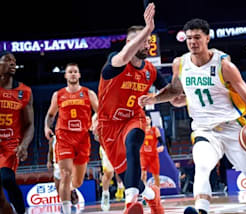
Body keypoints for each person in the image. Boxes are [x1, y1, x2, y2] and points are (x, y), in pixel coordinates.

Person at [139, 18, 246, 214]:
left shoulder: (224, 66)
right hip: (204, 130)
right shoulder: (180, 64)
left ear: (207, 38)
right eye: (189, 38)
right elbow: (174, 90)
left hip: (233, 129)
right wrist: (154, 99)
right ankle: (201, 211)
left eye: (197, 37)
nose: (192, 42)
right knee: (202, 167)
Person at [96, 3, 165, 214]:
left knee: (133, 142)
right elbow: (125, 56)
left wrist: (172, 95)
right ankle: (151, 196)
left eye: (148, 41)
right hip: (108, 126)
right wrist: (148, 28)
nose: (147, 45)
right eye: (144, 41)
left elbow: (169, 93)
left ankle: (130, 203)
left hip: (134, 118)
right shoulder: (115, 61)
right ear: (130, 42)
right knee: (128, 174)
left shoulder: (150, 71)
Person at [44, 62, 98, 214]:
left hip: (82, 138)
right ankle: (66, 210)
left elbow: (100, 111)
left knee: (77, 181)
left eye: (75, 71)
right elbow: (50, 114)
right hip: (64, 137)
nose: (73, 74)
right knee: (65, 174)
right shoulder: (58, 94)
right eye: (70, 72)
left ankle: (73, 189)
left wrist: (95, 121)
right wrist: (47, 127)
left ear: (79, 75)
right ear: (66, 75)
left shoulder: (88, 93)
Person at [0, 52, 34, 214]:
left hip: (10, 146)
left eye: (14, 61)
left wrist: (24, 145)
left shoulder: (24, 91)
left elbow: (29, 124)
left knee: (6, 179)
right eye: (7, 60)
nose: (12, 64)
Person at [140, 115, 165, 188]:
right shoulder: (141, 130)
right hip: (143, 154)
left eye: (148, 119)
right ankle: (144, 191)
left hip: (153, 155)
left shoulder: (154, 129)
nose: (146, 120)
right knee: (143, 173)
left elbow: (161, 140)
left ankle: (157, 191)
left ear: (150, 120)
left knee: (156, 175)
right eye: (145, 119)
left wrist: (162, 146)